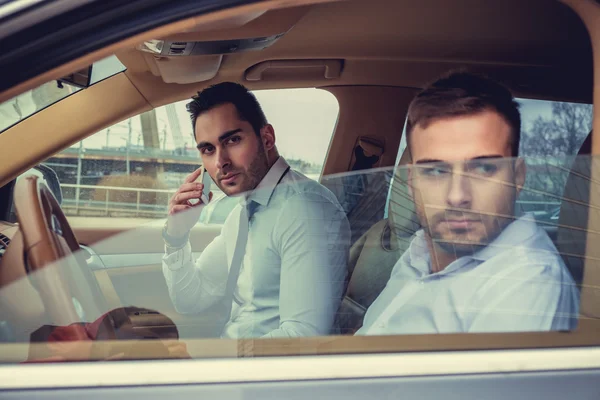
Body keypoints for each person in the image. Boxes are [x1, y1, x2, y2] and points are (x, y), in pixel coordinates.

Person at [357, 71, 579, 335]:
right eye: (436, 171)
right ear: (412, 183)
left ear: (517, 177)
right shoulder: (421, 251)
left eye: (483, 168)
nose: (457, 195)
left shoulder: (527, 284)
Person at [162, 82, 350, 339]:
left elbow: (304, 335)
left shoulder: (304, 210)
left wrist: (221, 362)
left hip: (261, 373)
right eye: (208, 149)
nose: (221, 162)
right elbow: (191, 299)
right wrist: (176, 236)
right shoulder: (243, 212)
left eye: (233, 140)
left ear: (267, 138)